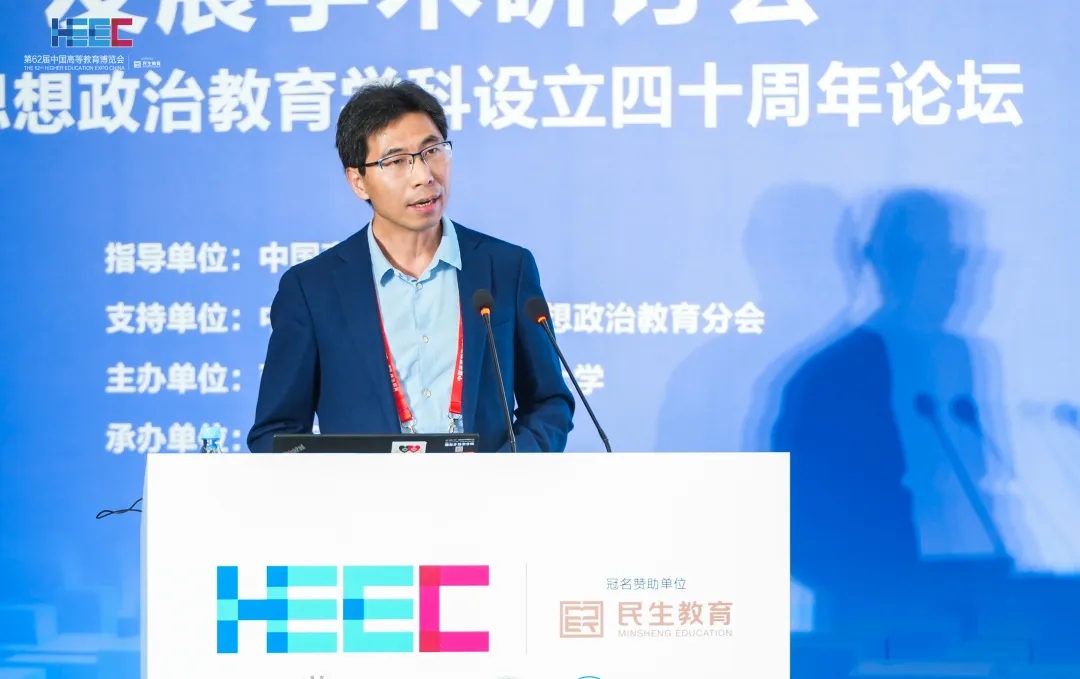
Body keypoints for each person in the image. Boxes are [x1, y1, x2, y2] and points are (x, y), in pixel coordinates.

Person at [247, 79, 575, 453]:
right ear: (358, 181)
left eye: (432, 151)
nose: (424, 176)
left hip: (487, 488)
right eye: (397, 161)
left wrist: (503, 470)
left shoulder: (505, 268)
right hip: (366, 491)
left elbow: (549, 403)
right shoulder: (312, 289)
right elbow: (276, 432)